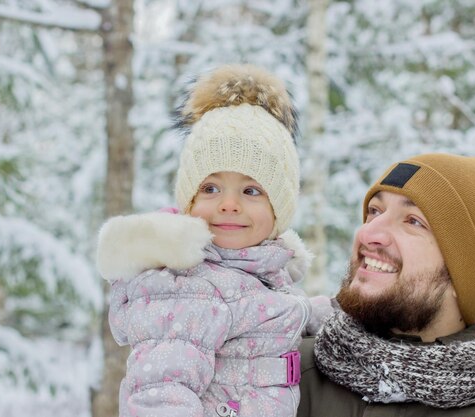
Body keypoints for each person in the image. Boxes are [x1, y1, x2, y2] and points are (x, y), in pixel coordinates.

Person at [96, 64, 331, 417]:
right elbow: (161, 393)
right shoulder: (188, 284)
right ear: (188, 201)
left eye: (251, 190)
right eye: (210, 188)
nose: (229, 204)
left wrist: (322, 313)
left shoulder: (254, 273)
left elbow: (261, 314)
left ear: (279, 209)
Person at [298, 153, 475, 417]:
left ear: (465, 273)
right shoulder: (284, 370)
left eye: (413, 221)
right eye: (374, 211)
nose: (368, 233)